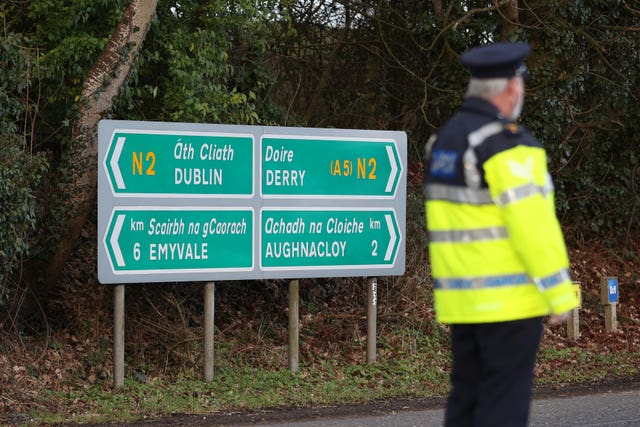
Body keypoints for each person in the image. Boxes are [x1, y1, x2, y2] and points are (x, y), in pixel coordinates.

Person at [423, 41, 579, 427]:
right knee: (502, 407)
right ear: (512, 87)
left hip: (463, 302)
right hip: (509, 303)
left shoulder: (444, 142)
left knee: (466, 402)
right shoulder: (507, 145)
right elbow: (533, 228)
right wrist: (560, 294)